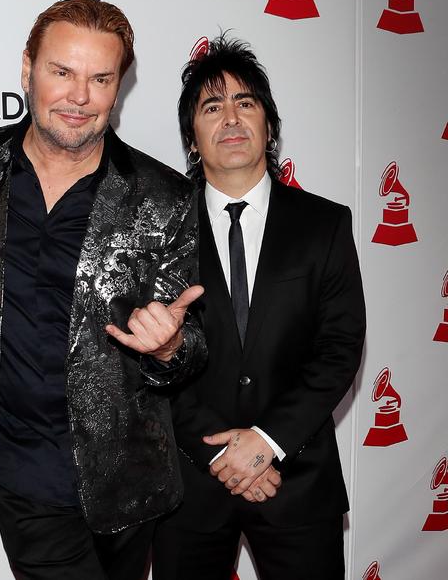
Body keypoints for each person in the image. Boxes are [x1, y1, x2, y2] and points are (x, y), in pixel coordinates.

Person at [0, 0, 206, 580]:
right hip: (21, 463)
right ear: (28, 70)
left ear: (118, 88)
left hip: (128, 472)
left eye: (100, 79)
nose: (79, 96)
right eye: (62, 72)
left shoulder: (163, 196)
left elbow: (192, 346)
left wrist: (170, 346)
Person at [152, 35, 365, 580]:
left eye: (245, 103)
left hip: (298, 480)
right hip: (192, 486)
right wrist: (221, 454)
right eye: (212, 107)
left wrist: (267, 441)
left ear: (269, 127)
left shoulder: (324, 225)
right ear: (192, 139)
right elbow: (150, 360)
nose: (231, 118)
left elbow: (339, 349)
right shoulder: (159, 234)